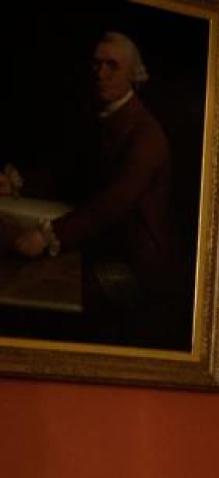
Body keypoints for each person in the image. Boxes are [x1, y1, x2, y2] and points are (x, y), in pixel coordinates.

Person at [4, 31, 181, 348]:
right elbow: (70, 175)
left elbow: (111, 205)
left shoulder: (146, 137)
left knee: (45, 309)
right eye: (97, 64)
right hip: (100, 243)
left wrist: (47, 235)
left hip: (132, 268)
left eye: (112, 66)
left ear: (134, 75)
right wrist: (18, 183)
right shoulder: (103, 116)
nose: (101, 73)